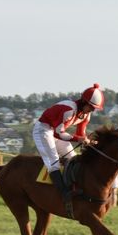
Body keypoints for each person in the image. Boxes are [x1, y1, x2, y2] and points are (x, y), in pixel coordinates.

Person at [32, 83, 104, 218]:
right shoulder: (68, 109)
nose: (92, 111)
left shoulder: (85, 115)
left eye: (94, 109)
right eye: (91, 107)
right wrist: (80, 139)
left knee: (72, 156)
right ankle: (64, 193)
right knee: (53, 161)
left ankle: (74, 187)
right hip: (43, 129)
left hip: (55, 132)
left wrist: (87, 142)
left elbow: (81, 133)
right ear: (84, 102)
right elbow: (60, 133)